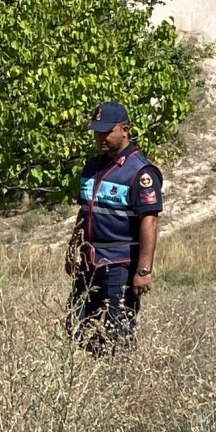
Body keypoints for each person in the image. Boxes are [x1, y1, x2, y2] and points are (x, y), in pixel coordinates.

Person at [67, 102, 162, 353]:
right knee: (76, 326)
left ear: (125, 130)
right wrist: (73, 247)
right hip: (90, 261)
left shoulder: (140, 171)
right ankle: (94, 369)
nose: (100, 137)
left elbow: (150, 221)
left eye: (106, 131)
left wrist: (143, 270)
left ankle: (120, 372)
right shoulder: (92, 167)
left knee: (117, 331)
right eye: (97, 131)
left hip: (120, 263)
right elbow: (85, 211)